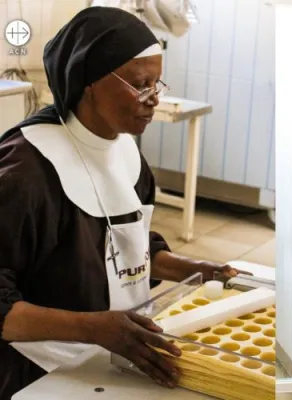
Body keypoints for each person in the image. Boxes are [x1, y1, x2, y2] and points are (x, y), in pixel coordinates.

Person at [0, 7, 249, 398]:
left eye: (157, 83)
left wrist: (198, 269)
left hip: (115, 351)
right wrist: (94, 328)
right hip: (39, 367)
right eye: (139, 84)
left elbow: (126, 250)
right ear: (88, 82)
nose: (153, 99)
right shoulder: (26, 172)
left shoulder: (126, 153)